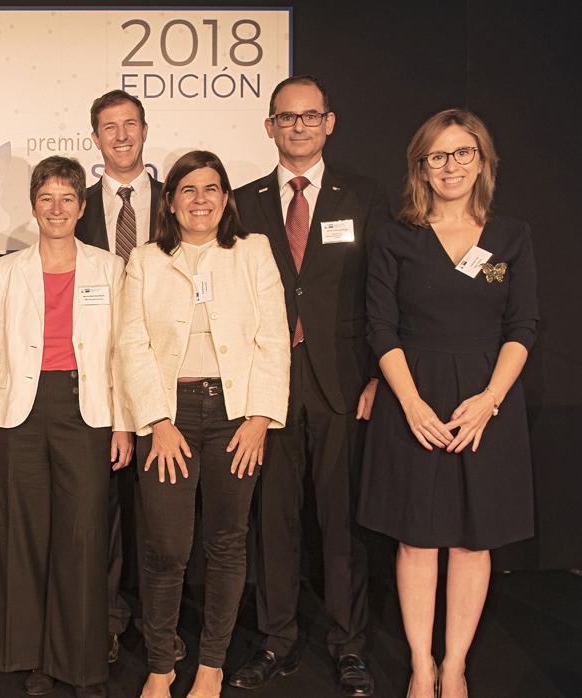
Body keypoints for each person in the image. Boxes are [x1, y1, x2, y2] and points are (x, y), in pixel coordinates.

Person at [359, 109, 536, 698]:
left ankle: (455, 664)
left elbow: (523, 326)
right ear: (421, 166)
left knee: (471, 540)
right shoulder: (395, 238)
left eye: (463, 153)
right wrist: (408, 405)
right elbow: (380, 328)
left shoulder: (510, 237)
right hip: (415, 397)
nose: (451, 165)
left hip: (486, 404)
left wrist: (489, 401)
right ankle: (420, 664)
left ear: (481, 161)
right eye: (438, 155)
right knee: (416, 539)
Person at [230, 75, 388, 697]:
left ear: (329, 122)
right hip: (267, 382)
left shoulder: (366, 197)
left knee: (342, 518)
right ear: (269, 127)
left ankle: (349, 645)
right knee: (272, 518)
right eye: (285, 118)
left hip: (343, 382)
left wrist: (377, 372)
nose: (297, 126)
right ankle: (276, 639)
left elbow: (383, 293)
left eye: (309, 116)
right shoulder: (243, 202)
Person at [117, 150, 289, 698]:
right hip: (169, 417)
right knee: (166, 547)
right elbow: (131, 343)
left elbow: (273, 338)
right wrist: (157, 420)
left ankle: (211, 663)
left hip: (235, 416)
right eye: (188, 189)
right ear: (169, 200)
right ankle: (162, 664)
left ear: (226, 198)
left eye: (211, 188)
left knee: (226, 542)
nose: (200, 199)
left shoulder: (251, 251)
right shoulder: (145, 260)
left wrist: (260, 417)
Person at [0, 156, 132, 698]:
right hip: (19, 410)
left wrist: (123, 423)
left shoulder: (109, 269)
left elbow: (121, 352)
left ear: (83, 208)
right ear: (33, 206)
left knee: (83, 536)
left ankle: (81, 664)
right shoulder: (5, 271)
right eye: (47, 199)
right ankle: (34, 657)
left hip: (86, 411)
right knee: (24, 535)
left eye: (68, 198)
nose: (57, 208)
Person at [73, 89, 183, 666]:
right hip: (98, 379)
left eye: (130, 125)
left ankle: (161, 624)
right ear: (94, 139)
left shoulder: (178, 201)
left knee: (163, 513)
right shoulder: (78, 207)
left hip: (172, 378)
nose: (120, 136)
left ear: (144, 131)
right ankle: (112, 621)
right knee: (107, 511)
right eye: (108, 128)